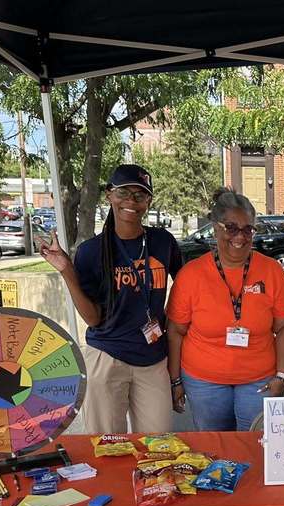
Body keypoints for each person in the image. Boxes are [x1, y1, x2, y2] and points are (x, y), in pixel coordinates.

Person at [40, 164, 181, 434]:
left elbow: (187, 284)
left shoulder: (163, 242)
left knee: (158, 445)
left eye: (140, 196)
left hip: (152, 359)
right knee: (107, 445)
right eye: (123, 193)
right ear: (109, 195)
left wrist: (172, 320)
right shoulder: (91, 251)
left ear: (149, 201)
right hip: (107, 356)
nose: (131, 201)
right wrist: (67, 271)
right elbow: (93, 318)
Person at [167, 188, 284, 431]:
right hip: (204, 381)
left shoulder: (272, 271)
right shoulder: (191, 275)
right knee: (216, 448)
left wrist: (283, 375)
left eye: (248, 229)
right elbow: (175, 331)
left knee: (258, 447)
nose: (240, 236)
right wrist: (175, 381)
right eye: (232, 228)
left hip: (259, 380)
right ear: (216, 228)